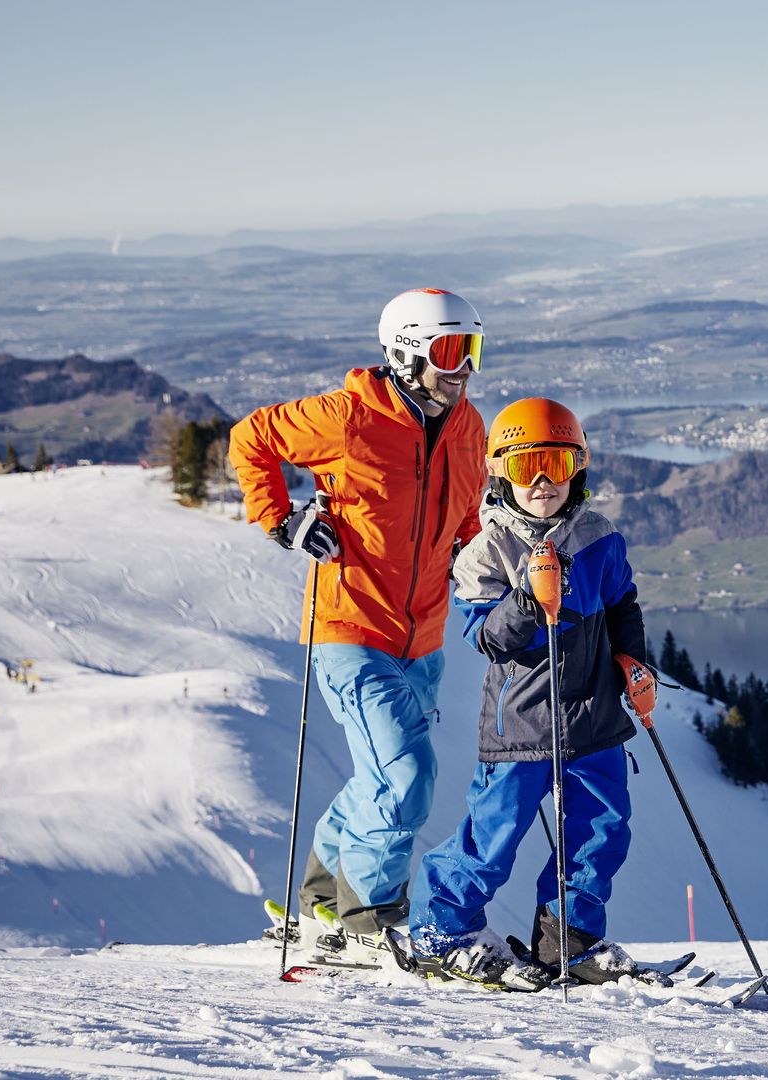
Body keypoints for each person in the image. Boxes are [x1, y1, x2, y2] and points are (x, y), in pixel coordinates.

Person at [230, 288, 488, 964]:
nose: (464, 369)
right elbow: (251, 438)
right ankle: (368, 919)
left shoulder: (468, 426)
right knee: (407, 779)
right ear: (406, 353)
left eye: (474, 351)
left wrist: (473, 556)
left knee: (380, 774)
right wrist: (283, 519)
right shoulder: (348, 417)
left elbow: (465, 518)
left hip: (422, 640)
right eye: (450, 352)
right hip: (349, 629)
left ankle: (319, 898)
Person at [408, 398, 650, 990]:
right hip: (522, 725)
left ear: (578, 469)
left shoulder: (599, 535)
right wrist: (525, 600)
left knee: (601, 832)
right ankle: (443, 931)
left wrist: (634, 663)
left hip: (594, 720)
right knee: (493, 835)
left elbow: (623, 605)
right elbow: (485, 639)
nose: (542, 482)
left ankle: (569, 942)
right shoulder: (485, 553)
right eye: (525, 467)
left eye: (556, 464)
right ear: (500, 474)